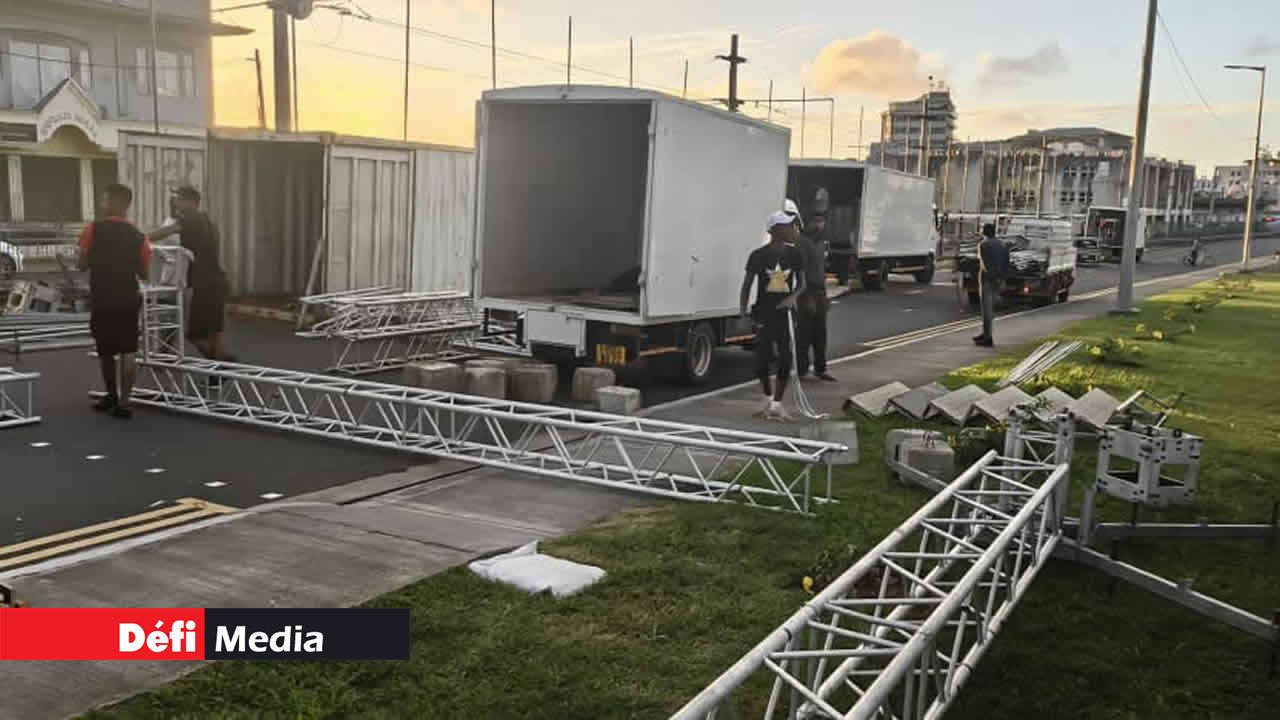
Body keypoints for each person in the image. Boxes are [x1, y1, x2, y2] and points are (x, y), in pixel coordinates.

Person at [78, 184, 151, 419]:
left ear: (115, 203)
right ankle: (125, 402)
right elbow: (145, 273)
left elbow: (81, 263)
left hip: (102, 296)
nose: (102, 202)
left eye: (105, 199)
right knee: (128, 349)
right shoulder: (139, 237)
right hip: (128, 297)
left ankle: (110, 395)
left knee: (105, 349)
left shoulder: (93, 229)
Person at [148, 186, 234, 361]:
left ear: (191, 202)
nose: (176, 203)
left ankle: (222, 363)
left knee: (195, 335)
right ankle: (218, 373)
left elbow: (160, 234)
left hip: (204, 284)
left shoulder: (189, 220)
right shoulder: (209, 222)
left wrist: (133, 239)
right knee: (215, 330)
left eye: (179, 199)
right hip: (217, 280)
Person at [742, 211, 807, 420]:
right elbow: (747, 284)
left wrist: (793, 297)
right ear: (775, 230)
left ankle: (778, 404)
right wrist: (743, 312)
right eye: (787, 226)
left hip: (785, 314)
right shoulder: (758, 255)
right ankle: (767, 399)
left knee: (786, 358)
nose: (791, 229)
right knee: (761, 359)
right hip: (764, 312)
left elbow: (802, 284)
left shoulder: (795, 254)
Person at [794, 211, 835, 381]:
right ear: (808, 223)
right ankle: (801, 370)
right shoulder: (802, 242)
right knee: (804, 333)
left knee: (820, 333)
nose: (819, 225)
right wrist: (806, 296)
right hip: (807, 292)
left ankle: (820, 369)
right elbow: (800, 270)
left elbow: (821, 270)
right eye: (816, 221)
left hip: (820, 291)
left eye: (822, 221)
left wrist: (825, 296)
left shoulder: (822, 243)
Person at [973, 222, 1008, 348]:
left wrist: (990, 277)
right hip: (998, 279)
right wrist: (1001, 279)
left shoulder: (983, 245)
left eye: (981, 229)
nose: (980, 230)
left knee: (986, 310)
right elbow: (1006, 263)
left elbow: (984, 264)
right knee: (990, 308)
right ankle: (985, 333)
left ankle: (988, 338)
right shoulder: (1002, 244)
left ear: (985, 231)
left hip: (987, 280)